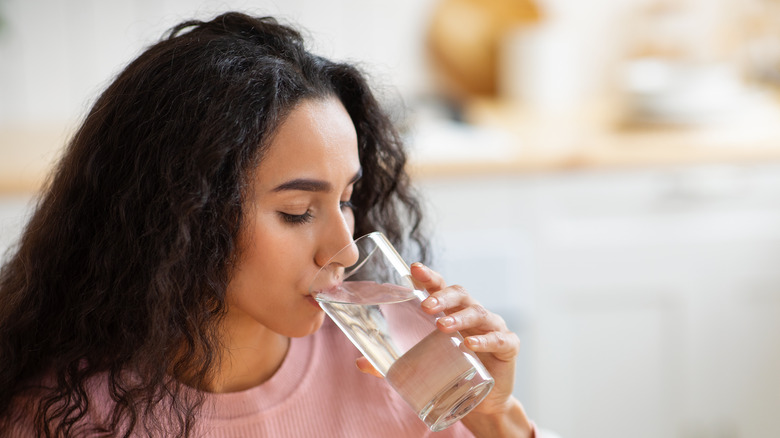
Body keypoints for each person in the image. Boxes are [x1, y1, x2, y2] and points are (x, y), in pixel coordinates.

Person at [0, 12, 535, 437]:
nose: (345, 251)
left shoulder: (405, 364)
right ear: (182, 214)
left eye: (347, 199)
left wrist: (496, 418)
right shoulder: (64, 415)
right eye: (297, 211)